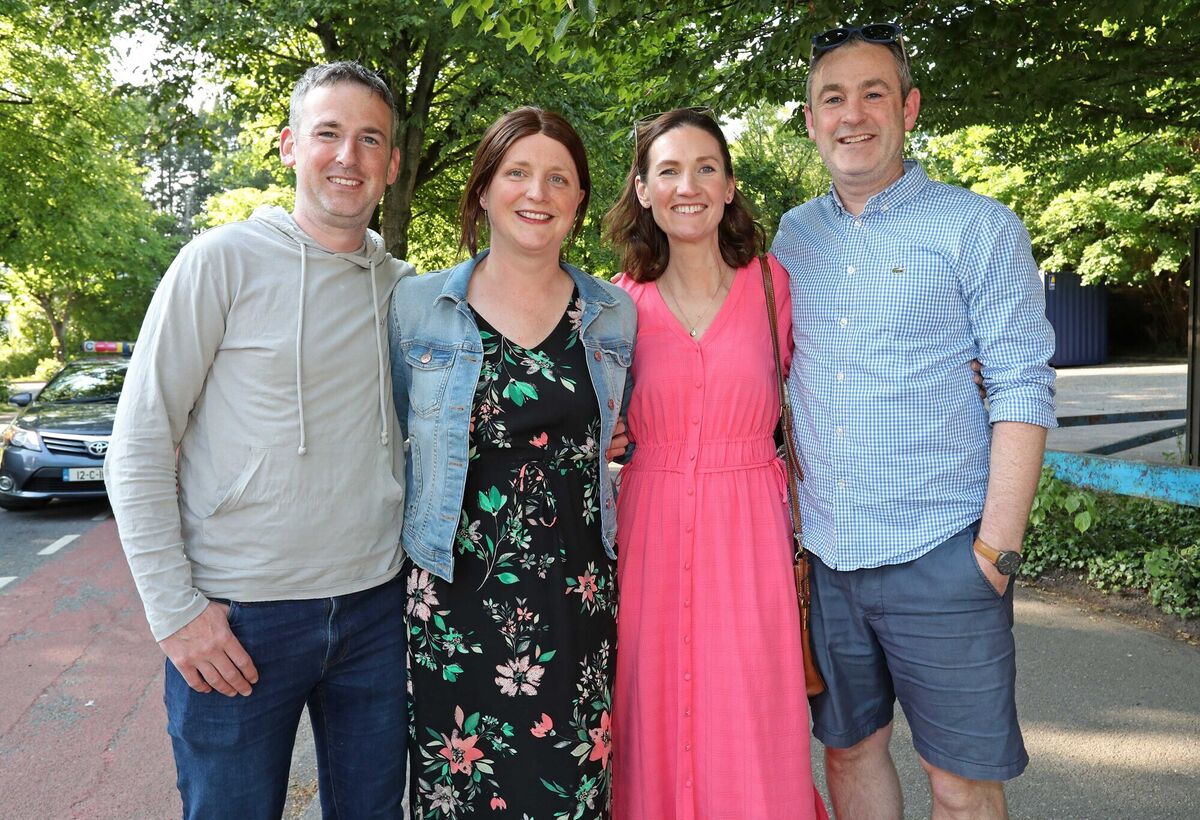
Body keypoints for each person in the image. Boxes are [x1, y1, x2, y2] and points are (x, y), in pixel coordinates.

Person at [105, 61, 412, 818]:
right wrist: (175, 612)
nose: (349, 156)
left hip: (379, 613)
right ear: (288, 146)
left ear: (393, 163)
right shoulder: (218, 264)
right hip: (241, 620)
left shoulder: (409, 291)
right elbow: (139, 443)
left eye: (370, 139)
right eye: (328, 134)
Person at [770, 23, 1057, 819]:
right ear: (809, 118)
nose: (852, 115)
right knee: (849, 751)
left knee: (961, 783)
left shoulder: (979, 227)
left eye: (873, 94)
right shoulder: (792, 238)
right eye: (833, 98)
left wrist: (995, 551)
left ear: (910, 107)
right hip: (827, 559)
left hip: (944, 553)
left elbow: (1022, 387)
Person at [388, 107, 636, 818]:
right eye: (518, 172)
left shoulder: (614, 314)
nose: (539, 192)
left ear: (580, 198)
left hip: (575, 602)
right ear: (485, 189)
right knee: (459, 794)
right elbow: (399, 434)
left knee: (568, 791)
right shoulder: (417, 306)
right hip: (453, 601)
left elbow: (625, 429)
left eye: (559, 178)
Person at [604, 107, 827, 819]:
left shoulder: (774, 285)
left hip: (752, 533)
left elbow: (841, 384)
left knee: (751, 713)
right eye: (667, 170)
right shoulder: (617, 302)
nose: (688, 185)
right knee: (654, 706)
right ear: (642, 190)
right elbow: (587, 412)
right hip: (651, 531)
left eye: (705, 168)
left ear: (730, 186)